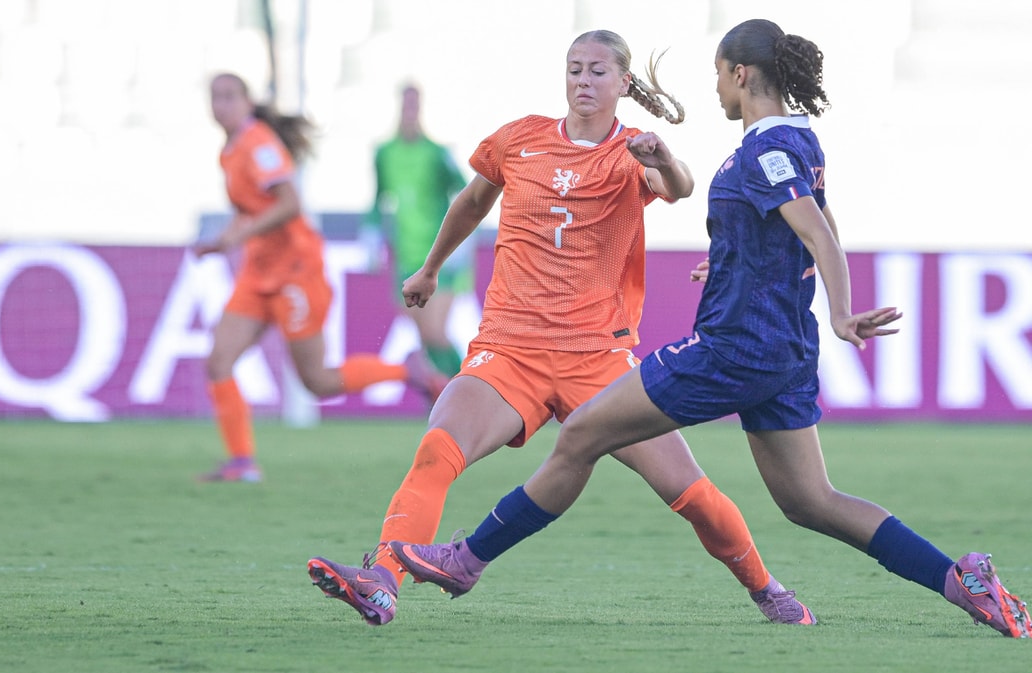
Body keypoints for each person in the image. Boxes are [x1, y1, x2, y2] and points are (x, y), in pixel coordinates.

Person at [388, 19, 1032, 638]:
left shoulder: (767, 147)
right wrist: (736, 258)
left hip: (733, 348)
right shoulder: (800, 140)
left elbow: (816, 231)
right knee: (811, 500)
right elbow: (802, 229)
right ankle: (959, 580)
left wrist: (841, 309)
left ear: (742, 73)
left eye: (720, 75)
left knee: (580, 434)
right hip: (782, 350)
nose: (716, 88)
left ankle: (464, 561)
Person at [308, 30, 816, 628]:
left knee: (689, 491)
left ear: (623, 83)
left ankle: (767, 589)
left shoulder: (634, 150)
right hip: (508, 350)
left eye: (598, 71)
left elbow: (678, 188)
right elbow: (472, 202)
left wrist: (665, 162)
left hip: (597, 362)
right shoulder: (518, 139)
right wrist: (429, 268)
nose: (583, 81)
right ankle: (383, 582)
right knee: (435, 452)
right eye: (574, 69)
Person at [196, 73, 446, 483]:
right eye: (214, 97)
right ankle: (242, 462)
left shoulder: (259, 144)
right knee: (218, 362)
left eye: (228, 97)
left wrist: (238, 235)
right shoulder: (229, 150)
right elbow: (250, 209)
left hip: (297, 271)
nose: (220, 105)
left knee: (318, 381)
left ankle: (408, 373)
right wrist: (223, 240)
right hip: (258, 273)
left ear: (246, 101)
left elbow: (289, 203)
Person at [363, 84, 469, 377]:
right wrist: (371, 235)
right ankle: (443, 403)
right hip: (406, 258)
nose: (410, 111)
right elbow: (378, 199)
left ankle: (470, 389)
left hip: (439, 256)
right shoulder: (385, 153)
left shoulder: (436, 154)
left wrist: (463, 241)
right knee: (425, 340)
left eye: (414, 104)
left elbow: (466, 193)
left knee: (436, 333)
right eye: (406, 104)